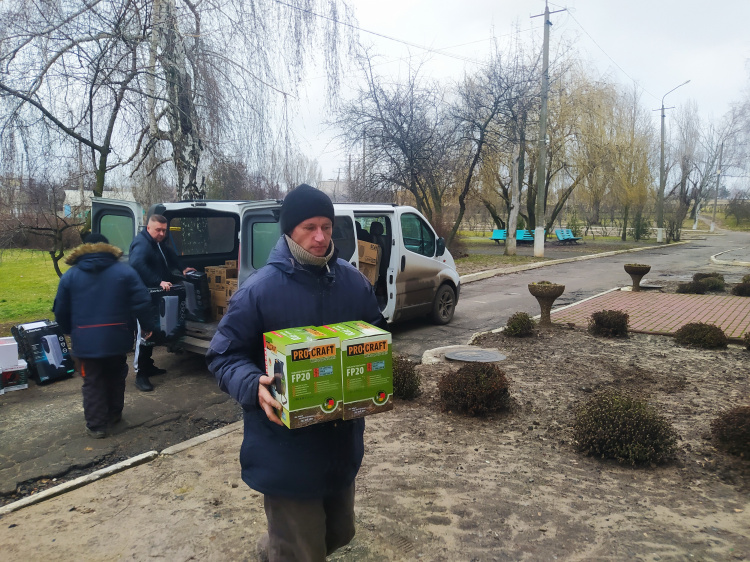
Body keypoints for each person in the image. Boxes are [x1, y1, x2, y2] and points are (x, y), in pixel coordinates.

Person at [206, 184, 385, 562]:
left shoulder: (353, 283)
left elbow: (376, 332)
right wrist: (253, 384)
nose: (320, 237)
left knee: (340, 532)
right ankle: (280, 549)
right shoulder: (258, 291)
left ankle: (272, 549)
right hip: (285, 449)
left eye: (326, 226)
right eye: (309, 227)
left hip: (340, 440)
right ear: (289, 230)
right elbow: (223, 355)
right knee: (304, 551)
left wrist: (375, 367)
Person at [53, 233, 154, 438]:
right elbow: (142, 300)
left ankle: (97, 426)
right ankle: (114, 414)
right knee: (116, 375)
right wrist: (147, 326)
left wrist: (66, 329)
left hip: (85, 340)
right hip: (117, 335)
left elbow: (61, 309)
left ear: (84, 248)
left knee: (92, 380)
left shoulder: (70, 275)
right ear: (108, 248)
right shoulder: (125, 271)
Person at [128, 214, 194, 392]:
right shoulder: (142, 244)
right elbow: (136, 264)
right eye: (158, 230)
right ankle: (140, 374)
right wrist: (159, 281)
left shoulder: (157, 242)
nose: (161, 234)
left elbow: (171, 255)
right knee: (145, 335)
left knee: (155, 332)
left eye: (164, 230)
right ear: (148, 228)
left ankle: (148, 365)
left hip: (156, 296)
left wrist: (182, 268)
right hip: (143, 298)